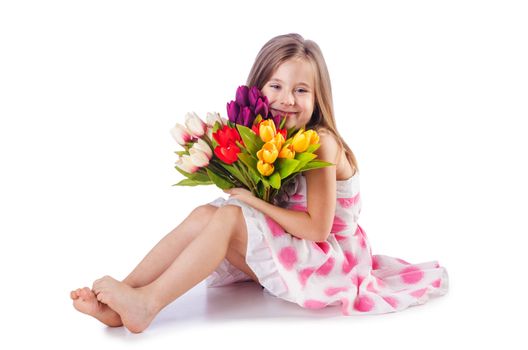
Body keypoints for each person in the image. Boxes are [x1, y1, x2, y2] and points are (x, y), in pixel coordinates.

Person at [70, 33, 449, 333]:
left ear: (318, 99)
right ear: (258, 88)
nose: (287, 100)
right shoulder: (270, 136)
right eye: (276, 86)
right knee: (207, 213)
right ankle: (125, 295)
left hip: (330, 261)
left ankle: (147, 304)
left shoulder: (320, 142)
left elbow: (318, 228)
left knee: (231, 217)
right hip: (298, 248)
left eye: (301, 90)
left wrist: (253, 204)